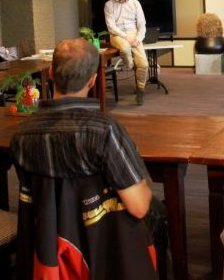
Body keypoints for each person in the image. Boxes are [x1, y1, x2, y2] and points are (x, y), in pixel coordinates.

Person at [10, 38, 166, 272]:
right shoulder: (105, 131)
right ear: (93, 80)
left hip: (48, 250)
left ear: (50, 73)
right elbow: (139, 207)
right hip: (104, 250)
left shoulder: (21, 136)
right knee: (157, 213)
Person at [104, 0, 148, 105]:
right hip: (117, 34)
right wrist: (126, 37)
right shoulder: (109, 4)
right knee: (125, 48)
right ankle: (130, 65)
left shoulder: (135, 3)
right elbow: (111, 27)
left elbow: (142, 24)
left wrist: (138, 39)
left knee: (144, 64)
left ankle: (140, 90)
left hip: (133, 33)